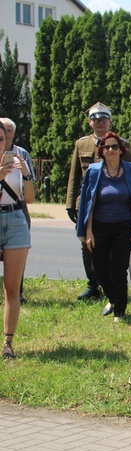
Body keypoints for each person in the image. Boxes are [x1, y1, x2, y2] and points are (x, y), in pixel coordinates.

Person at [76, 132, 131, 322]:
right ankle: (113, 299)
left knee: (119, 270)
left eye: (115, 147)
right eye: (107, 147)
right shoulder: (94, 171)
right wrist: (88, 231)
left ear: (121, 150)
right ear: (102, 151)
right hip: (99, 227)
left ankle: (119, 312)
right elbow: (88, 204)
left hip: (125, 227)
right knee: (99, 268)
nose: (111, 150)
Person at [66, 102, 131, 301]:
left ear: (109, 122)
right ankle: (93, 286)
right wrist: (70, 203)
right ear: (90, 123)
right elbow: (74, 175)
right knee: (87, 246)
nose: (100, 123)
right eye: (96, 120)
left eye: (104, 120)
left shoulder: (120, 143)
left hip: (112, 205)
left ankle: (111, 288)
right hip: (87, 205)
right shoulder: (82, 144)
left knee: (113, 250)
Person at [0, 120, 34, 359]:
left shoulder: (18, 159)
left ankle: (8, 344)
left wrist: (25, 173)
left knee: (12, 287)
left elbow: (29, 198)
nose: (0, 144)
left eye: (2, 139)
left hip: (15, 220)